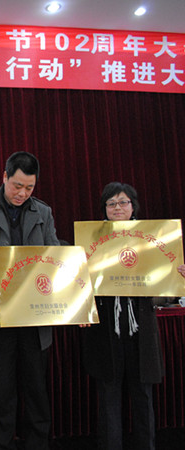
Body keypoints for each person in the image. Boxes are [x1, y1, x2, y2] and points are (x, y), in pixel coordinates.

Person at [81, 182, 185, 450]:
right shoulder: (91, 241)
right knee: (109, 398)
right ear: (104, 208)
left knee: (143, 397)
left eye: (123, 202)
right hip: (106, 330)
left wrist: (176, 278)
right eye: (111, 203)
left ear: (133, 206)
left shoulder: (152, 239)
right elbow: (80, 285)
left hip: (141, 332)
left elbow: (162, 295)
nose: (117, 208)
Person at [0, 151, 59, 450]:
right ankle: (2, 444)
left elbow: (54, 253)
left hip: (35, 314)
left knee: (36, 388)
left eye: (29, 187)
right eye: (17, 185)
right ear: (4, 177)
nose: (22, 193)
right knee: (1, 389)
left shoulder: (43, 212)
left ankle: (38, 444)